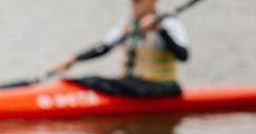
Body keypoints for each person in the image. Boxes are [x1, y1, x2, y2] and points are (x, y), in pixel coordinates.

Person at [54, 0, 189, 98]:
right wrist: (75, 58)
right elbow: (104, 48)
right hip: (133, 85)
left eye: (139, 2)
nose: (134, 6)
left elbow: (184, 56)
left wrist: (160, 31)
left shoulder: (170, 23)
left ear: (154, 1)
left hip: (162, 86)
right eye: (133, 2)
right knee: (90, 80)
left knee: (97, 81)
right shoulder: (127, 24)